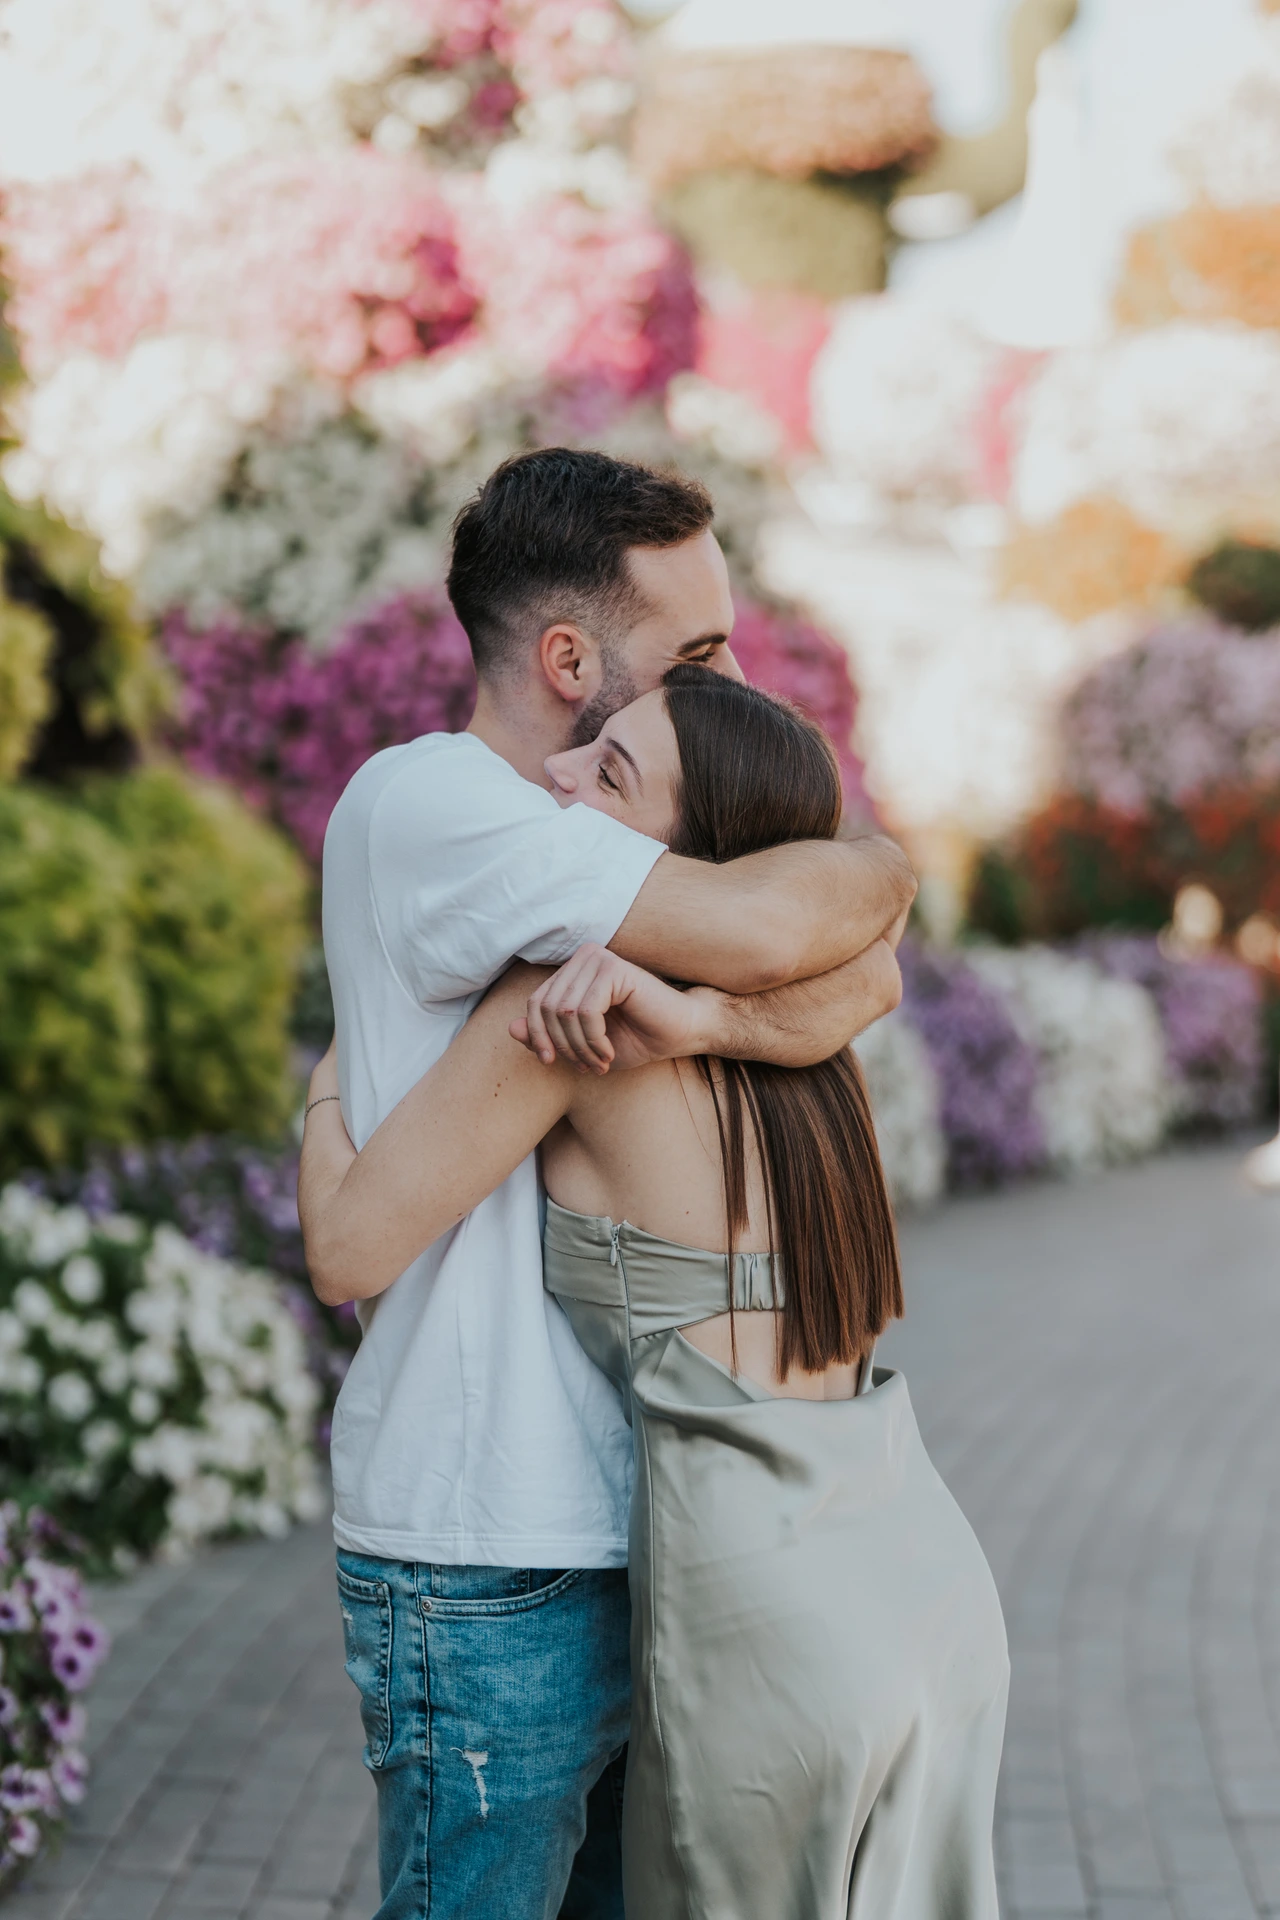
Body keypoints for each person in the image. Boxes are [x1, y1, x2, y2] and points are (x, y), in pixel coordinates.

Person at [302, 668, 1010, 1920]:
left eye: (611, 772)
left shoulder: (574, 1006)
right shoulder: (798, 1033)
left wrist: (332, 1075)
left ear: (698, 858)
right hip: (912, 1588)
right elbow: (876, 967)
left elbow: (348, 1251)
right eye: (583, 747)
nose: (559, 779)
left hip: (758, 1627)